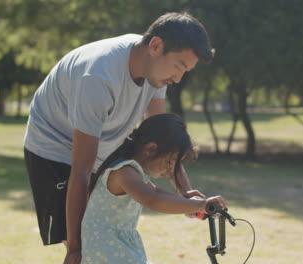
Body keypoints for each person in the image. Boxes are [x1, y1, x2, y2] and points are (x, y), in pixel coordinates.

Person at [23, 12, 215, 264]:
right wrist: (75, 250)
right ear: (156, 46)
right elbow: (80, 169)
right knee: (84, 246)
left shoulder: (156, 71)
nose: (179, 78)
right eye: (180, 65)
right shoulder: (99, 77)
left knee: (102, 235)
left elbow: (163, 138)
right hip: (53, 145)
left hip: (100, 140)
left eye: (186, 70)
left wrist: (185, 191)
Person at [81, 113, 225, 264]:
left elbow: (156, 192)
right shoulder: (124, 172)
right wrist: (201, 205)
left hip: (116, 247)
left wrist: (185, 202)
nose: (171, 169)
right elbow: (153, 200)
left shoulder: (134, 172)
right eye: (170, 161)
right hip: (107, 251)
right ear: (151, 149)